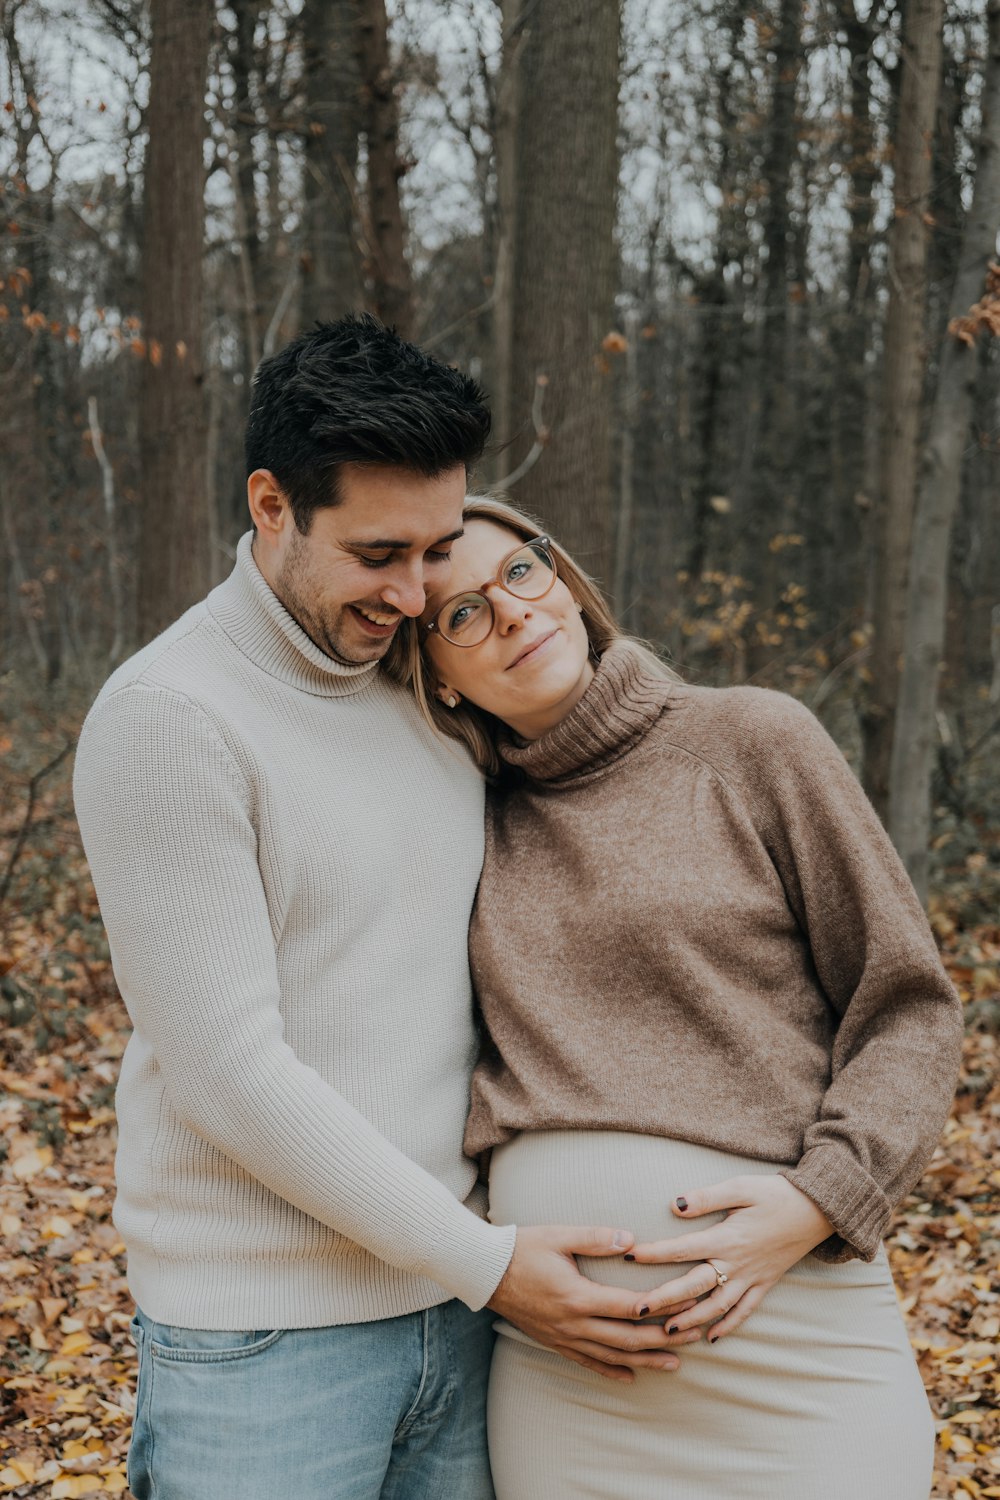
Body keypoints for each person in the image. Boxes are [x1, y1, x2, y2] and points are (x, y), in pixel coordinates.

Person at [72, 319, 682, 1500]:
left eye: (438, 547)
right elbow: (228, 1071)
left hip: (457, 1322)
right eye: (376, 552)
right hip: (266, 1349)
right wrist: (490, 1265)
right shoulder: (170, 718)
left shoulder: (423, 682)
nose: (412, 592)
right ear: (270, 505)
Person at [403, 493, 964, 1500]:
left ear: (565, 578)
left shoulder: (752, 740)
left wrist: (818, 1199)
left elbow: (910, 1009)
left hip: (795, 1353)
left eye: (522, 573)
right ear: (436, 676)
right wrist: (486, 1263)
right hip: (565, 1384)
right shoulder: (456, 818)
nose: (513, 612)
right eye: (463, 613)